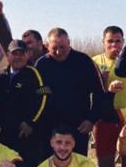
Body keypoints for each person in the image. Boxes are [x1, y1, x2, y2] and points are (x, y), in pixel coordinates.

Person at [0, 39, 49, 167]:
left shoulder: (34, 74)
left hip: (28, 137)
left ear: (27, 55)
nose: (17, 57)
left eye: (21, 53)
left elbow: (45, 98)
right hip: (6, 137)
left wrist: (30, 123)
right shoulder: (2, 76)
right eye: (14, 53)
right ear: (7, 55)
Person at [35, 28, 107, 156]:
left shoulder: (84, 61)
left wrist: (91, 119)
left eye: (62, 47)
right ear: (47, 46)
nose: (58, 52)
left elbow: (99, 92)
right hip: (49, 126)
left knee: (77, 163)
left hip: (78, 126)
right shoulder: (41, 64)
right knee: (49, 163)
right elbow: (36, 93)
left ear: (69, 43)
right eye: (54, 48)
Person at [91, 26, 126, 167]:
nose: (114, 45)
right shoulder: (94, 62)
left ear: (123, 42)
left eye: (118, 41)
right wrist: (102, 81)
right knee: (105, 164)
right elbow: (89, 90)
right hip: (104, 118)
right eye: (110, 41)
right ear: (103, 42)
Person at [0, 0, 47, 65]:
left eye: (29, 43)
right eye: (24, 44)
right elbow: (5, 39)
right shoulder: (22, 63)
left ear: (40, 43)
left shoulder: (53, 59)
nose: (26, 47)